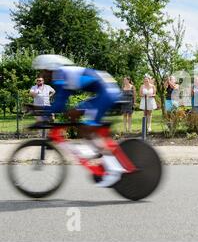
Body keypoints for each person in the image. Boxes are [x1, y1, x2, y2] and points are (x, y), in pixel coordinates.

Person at [32, 54, 128, 188]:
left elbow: (59, 105)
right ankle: (93, 146)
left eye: (43, 71)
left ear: (51, 69)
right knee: (72, 114)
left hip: (107, 94)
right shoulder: (63, 74)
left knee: (88, 127)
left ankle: (114, 169)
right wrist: (44, 111)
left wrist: (39, 111)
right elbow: (62, 106)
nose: (42, 75)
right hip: (106, 91)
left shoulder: (61, 76)